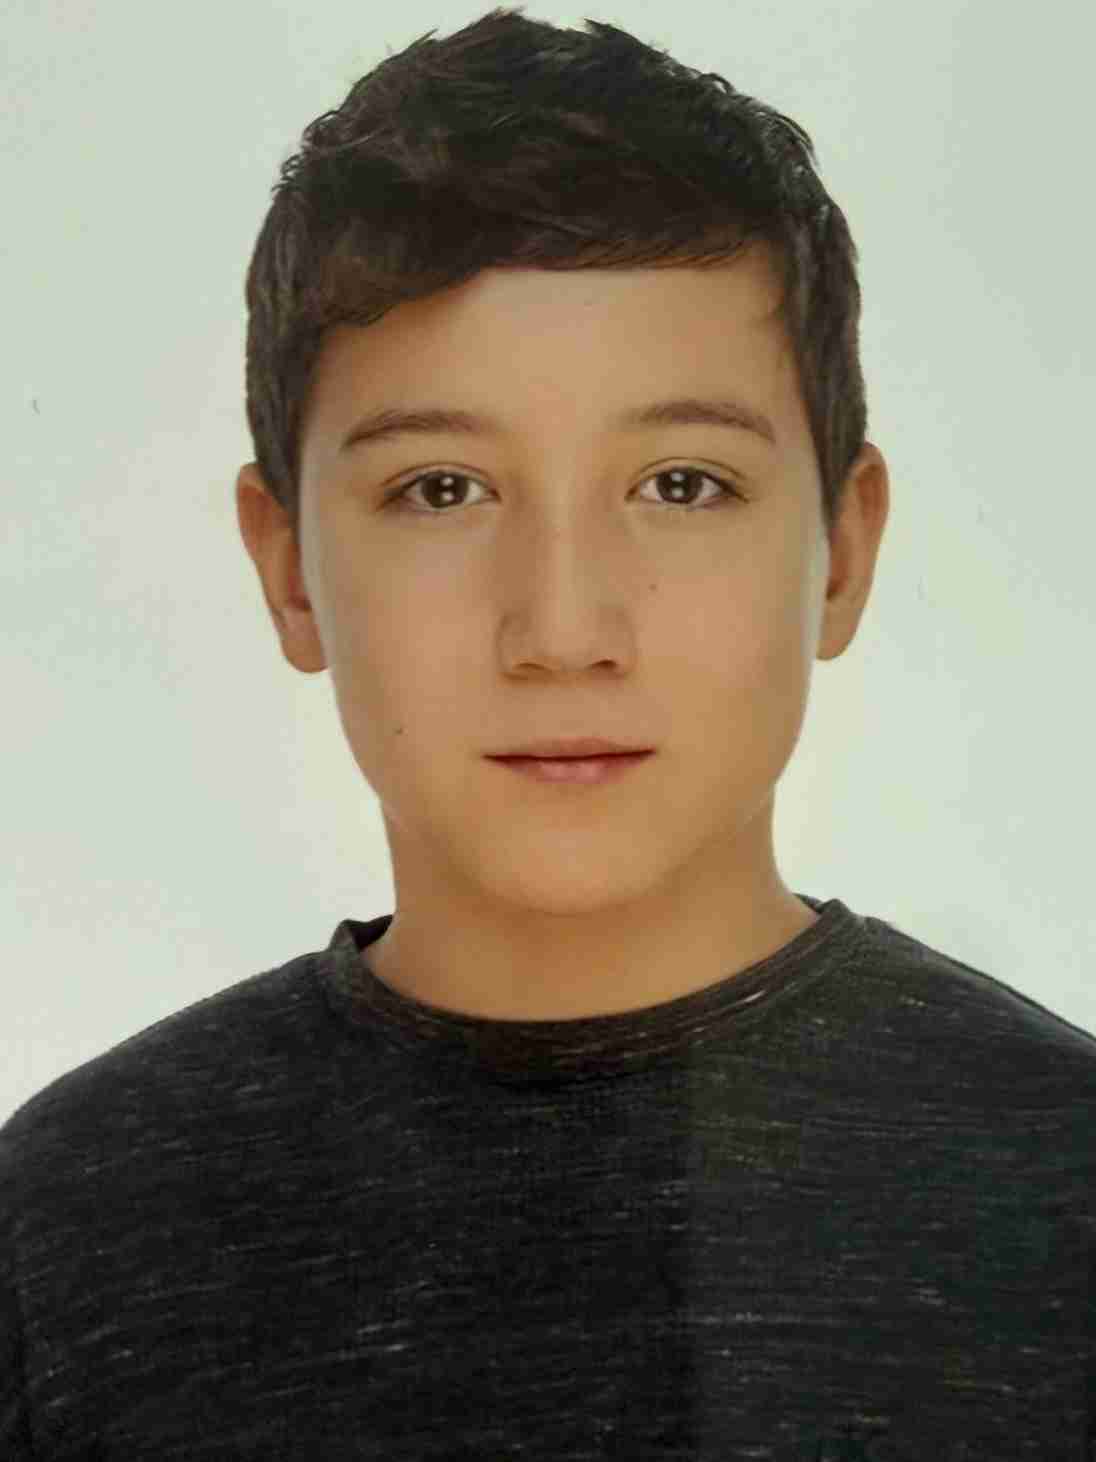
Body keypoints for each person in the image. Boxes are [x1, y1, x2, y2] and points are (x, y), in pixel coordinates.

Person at [3, 9, 1093, 1458]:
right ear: (287, 569)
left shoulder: (1067, 1192)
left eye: (682, 484)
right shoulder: (62, 1234)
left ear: (840, 551)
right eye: (441, 490)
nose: (565, 628)